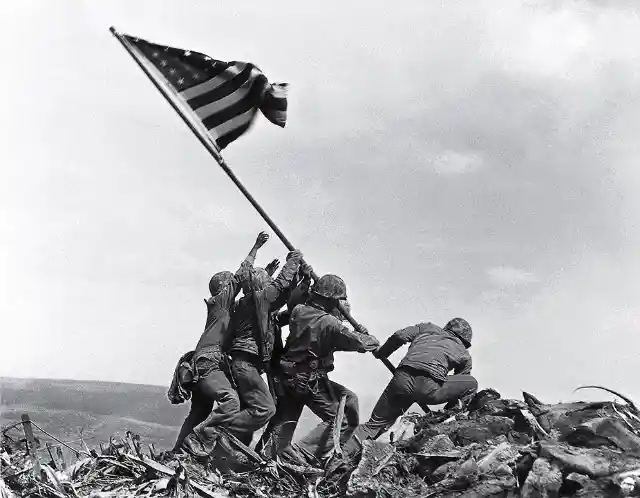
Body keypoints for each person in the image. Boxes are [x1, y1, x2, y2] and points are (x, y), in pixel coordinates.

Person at [258, 274, 380, 465]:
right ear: (331, 299)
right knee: (345, 416)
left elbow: (326, 337)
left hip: (288, 377)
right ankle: (304, 454)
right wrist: (369, 337)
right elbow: (361, 344)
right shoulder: (330, 323)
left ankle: (264, 457)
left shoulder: (299, 311)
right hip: (309, 381)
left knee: (283, 423)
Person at [170, 232, 270, 455]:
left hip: (204, 362)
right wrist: (256, 247)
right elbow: (242, 272)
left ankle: (178, 453)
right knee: (231, 401)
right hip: (209, 362)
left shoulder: (222, 308)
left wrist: (265, 276)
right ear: (224, 288)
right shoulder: (222, 301)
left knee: (199, 412)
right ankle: (199, 442)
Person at [338, 318, 478, 465]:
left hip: (401, 380)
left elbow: (400, 336)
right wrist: (448, 412)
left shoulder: (427, 328)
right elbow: (459, 387)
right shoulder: (464, 353)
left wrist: (382, 353)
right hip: (429, 388)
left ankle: (341, 456)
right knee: (471, 383)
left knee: (373, 425)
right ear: (465, 340)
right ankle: (448, 420)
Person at [221, 248, 304, 445]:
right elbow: (281, 286)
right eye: (267, 281)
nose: (270, 284)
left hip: (244, 365)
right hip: (246, 365)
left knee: (252, 409)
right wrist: (293, 261)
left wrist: (302, 280)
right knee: (265, 409)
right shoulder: (259, 300)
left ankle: (230, 450)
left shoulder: (250, 305)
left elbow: (283, 304)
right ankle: (217, 430)